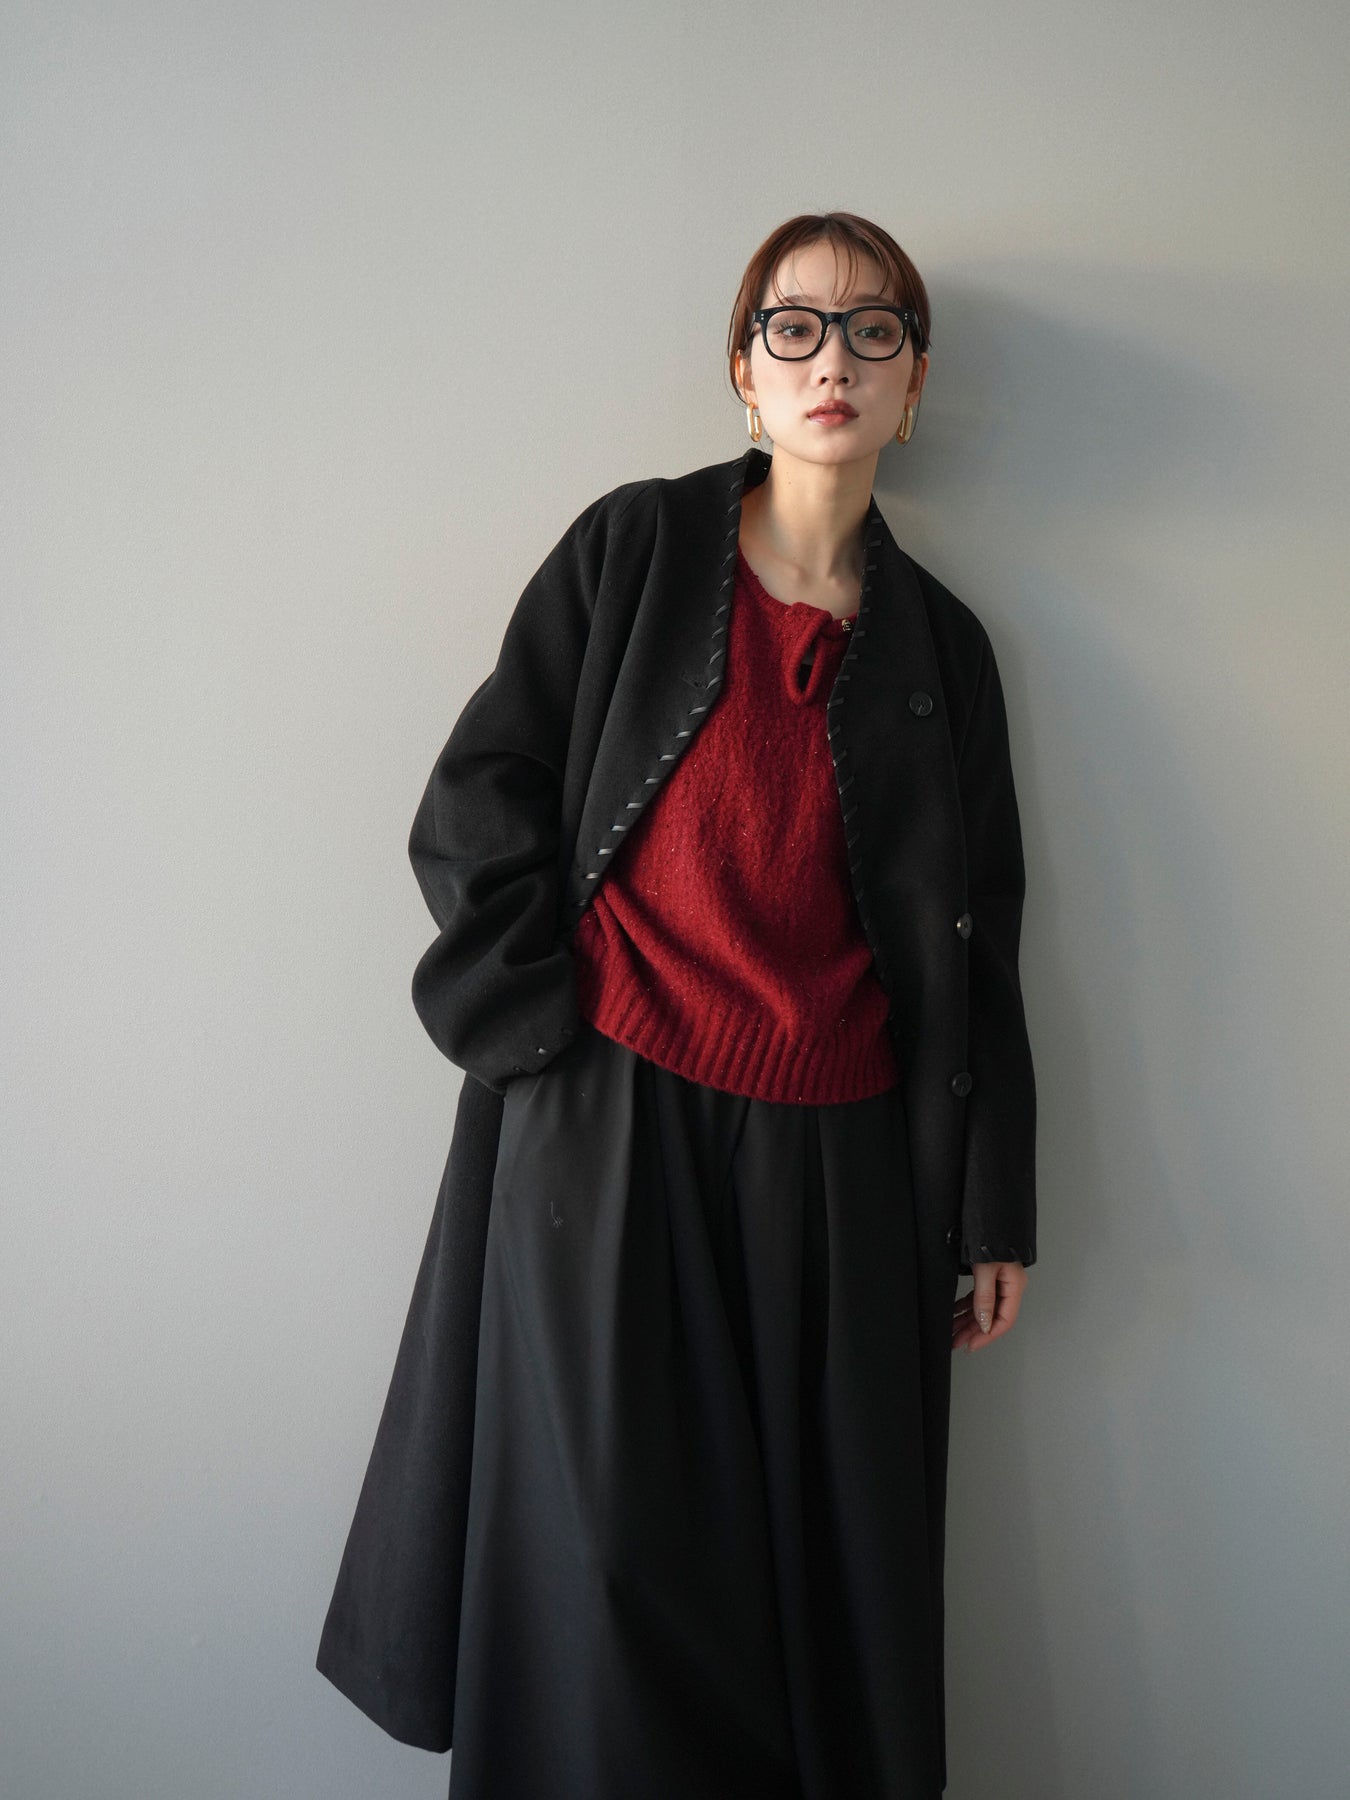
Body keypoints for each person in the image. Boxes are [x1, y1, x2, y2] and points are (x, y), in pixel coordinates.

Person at [316, 210, 1038, 1799]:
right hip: (608, 1124)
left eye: (873, 330)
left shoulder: (945, 649)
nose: (833, 359)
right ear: (741, 371)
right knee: (603, 1573)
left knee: (805, 1590)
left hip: (839, 1164)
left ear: (914, 384)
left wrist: (990, 1204)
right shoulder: (633, 550)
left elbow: (976, 937)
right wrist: (537, 1032)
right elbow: (477, 796)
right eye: (795, 326)